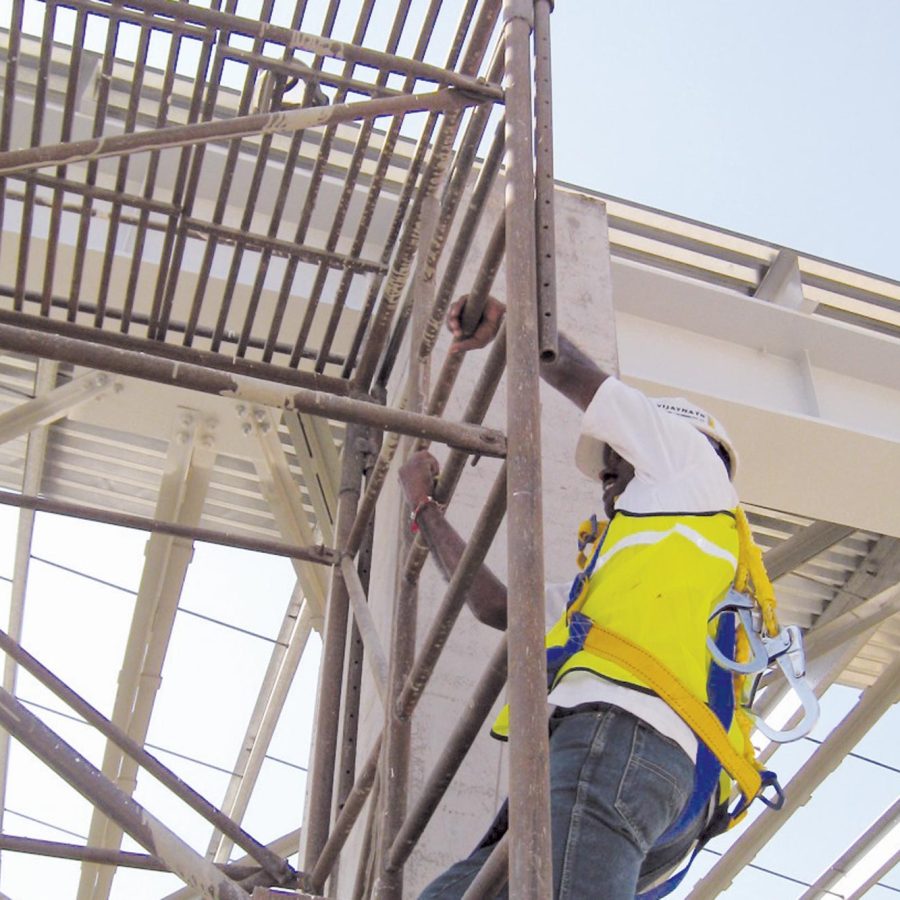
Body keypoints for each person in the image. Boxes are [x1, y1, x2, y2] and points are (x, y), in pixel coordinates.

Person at [399, 295, 750, 899]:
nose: (606, 474)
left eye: (617, 458)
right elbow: (495, 606)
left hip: (619, 741)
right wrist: (424, 509)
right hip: (621, 769)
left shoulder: (693, 469)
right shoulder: (616, 582)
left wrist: (515, 327)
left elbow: (595, 390)